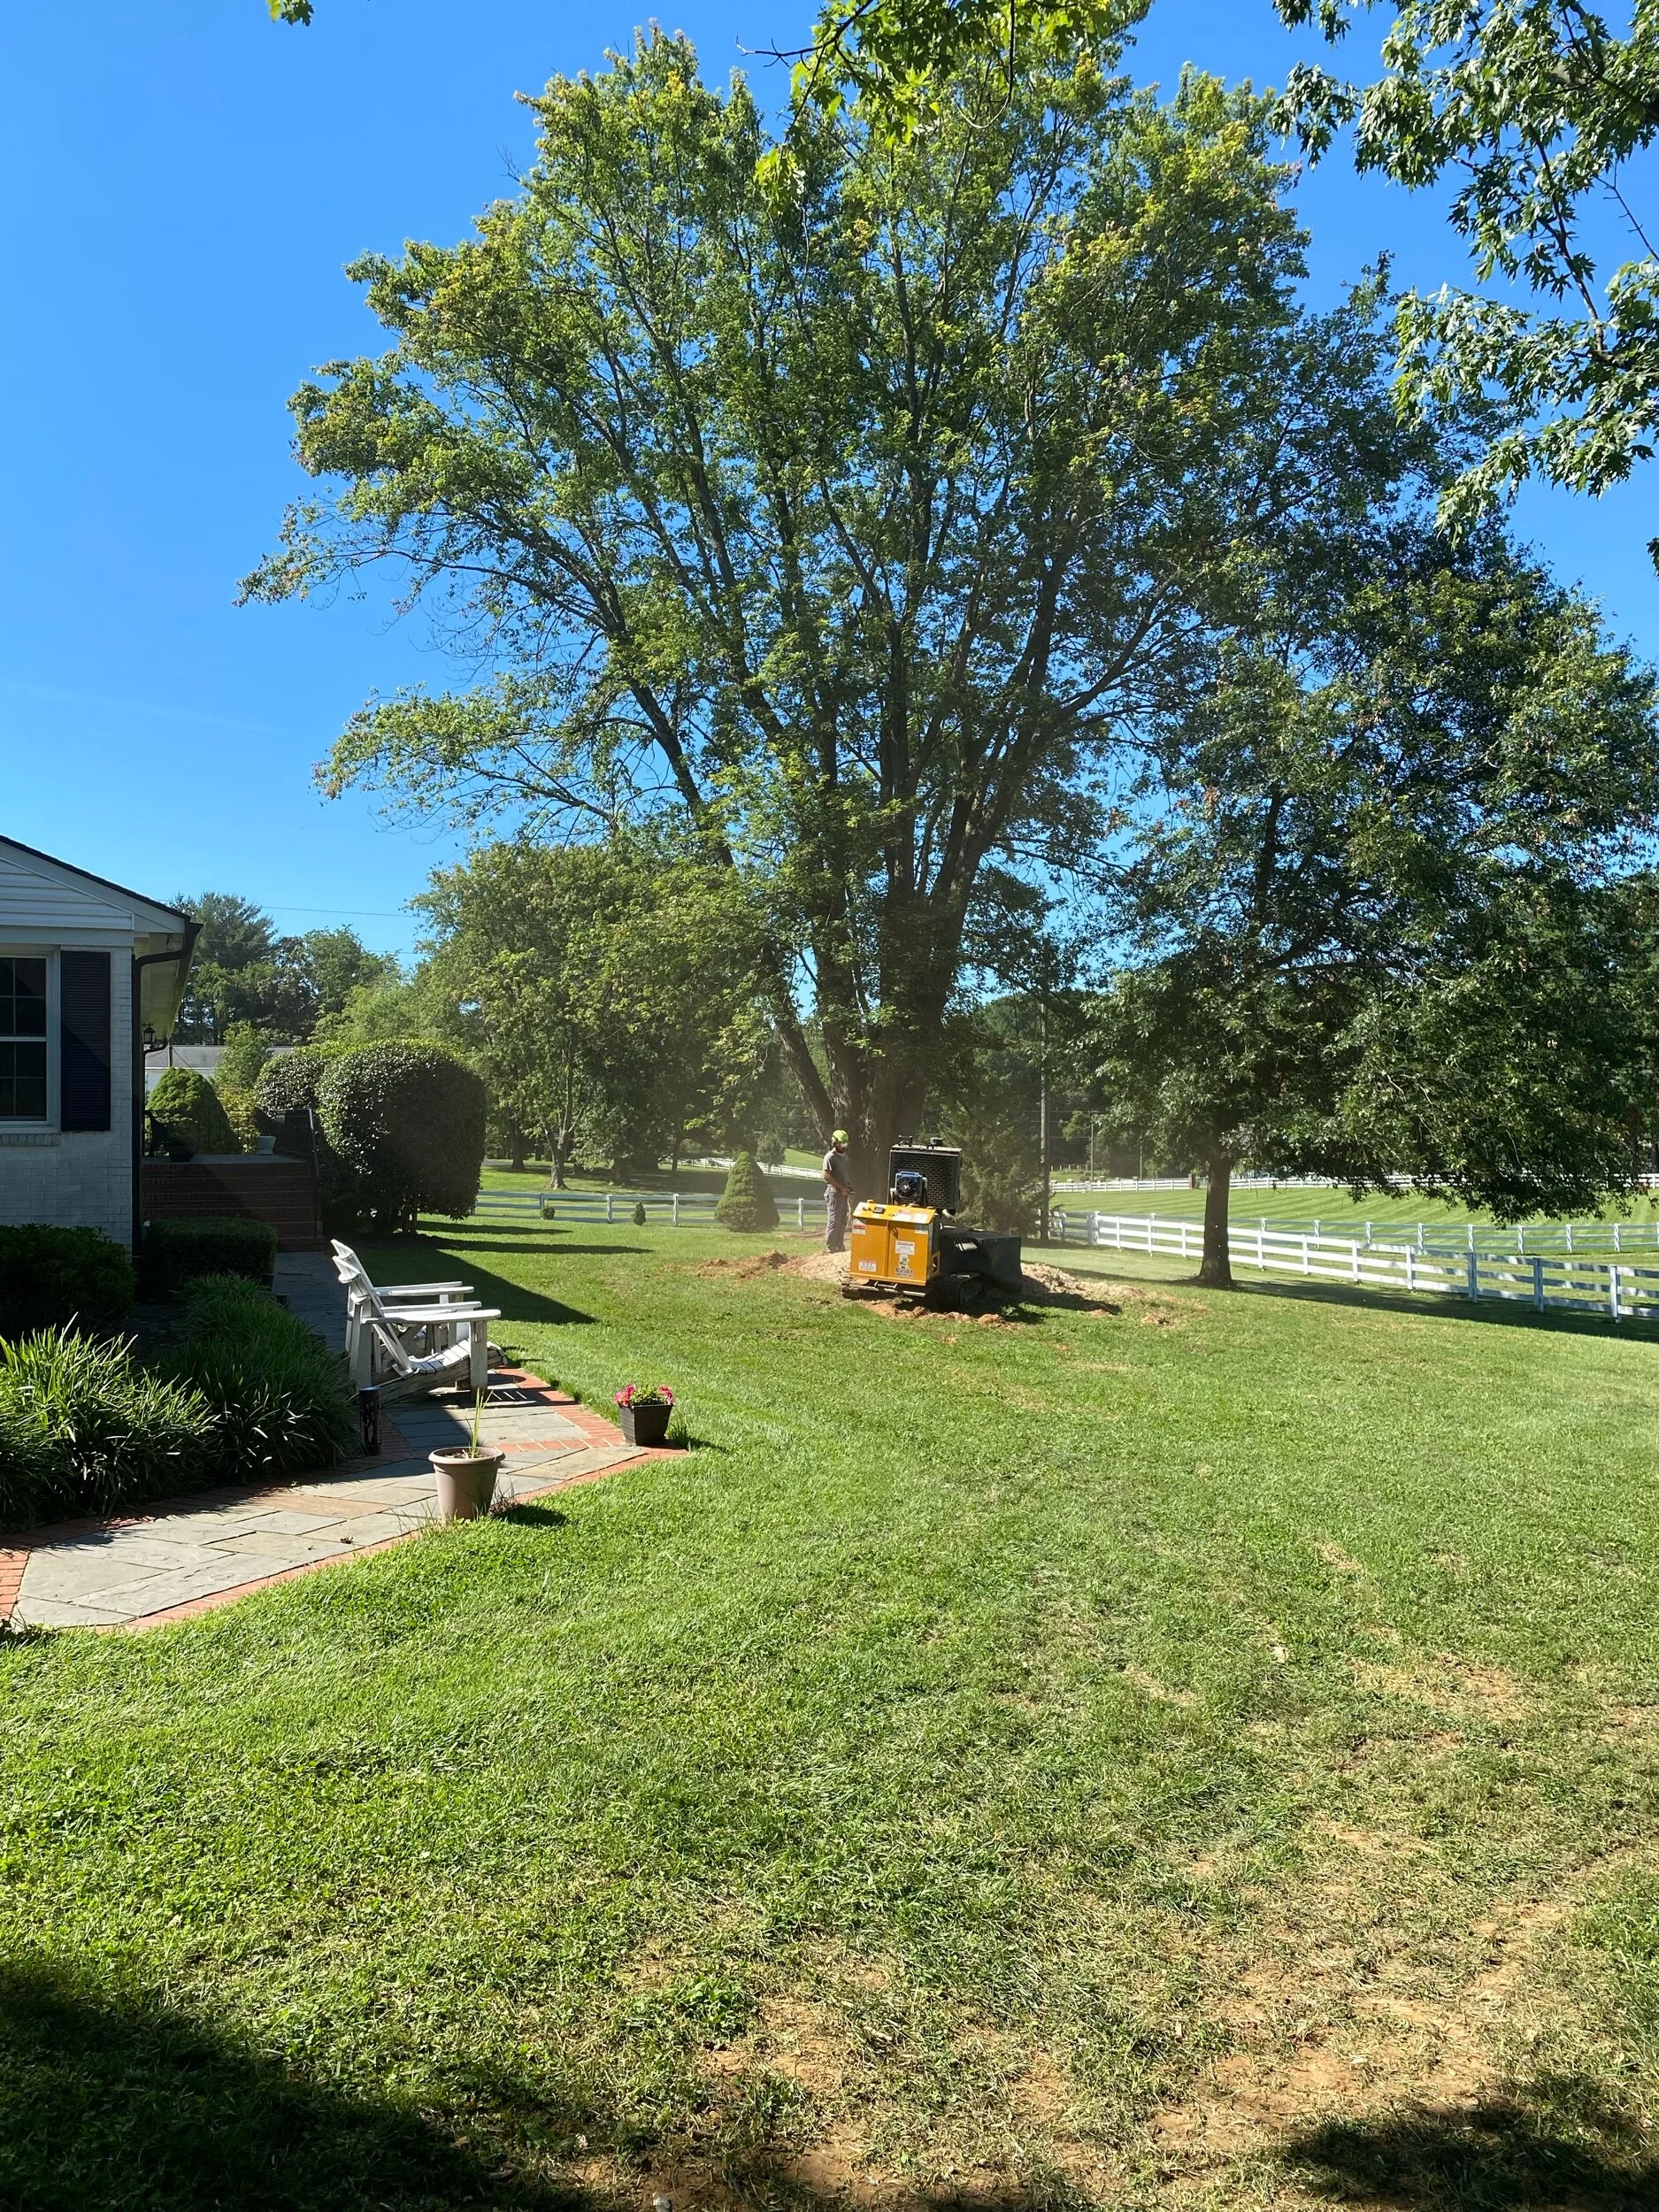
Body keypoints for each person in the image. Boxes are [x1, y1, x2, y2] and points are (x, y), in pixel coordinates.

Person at [823, 1128, 852, 1252]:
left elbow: (841, 1176)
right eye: (842, 1143)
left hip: (843, 1193)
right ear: (835, 1142)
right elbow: (826, 1175)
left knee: (842, 1220)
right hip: (834, 1193)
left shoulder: (841, 1158)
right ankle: (831, 1247)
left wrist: (847, 1186)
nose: (844, 1146)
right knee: (834, 1220)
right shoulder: (830, 1157)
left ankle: (840, 1245)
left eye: (846, 1143)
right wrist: (840, 1188)